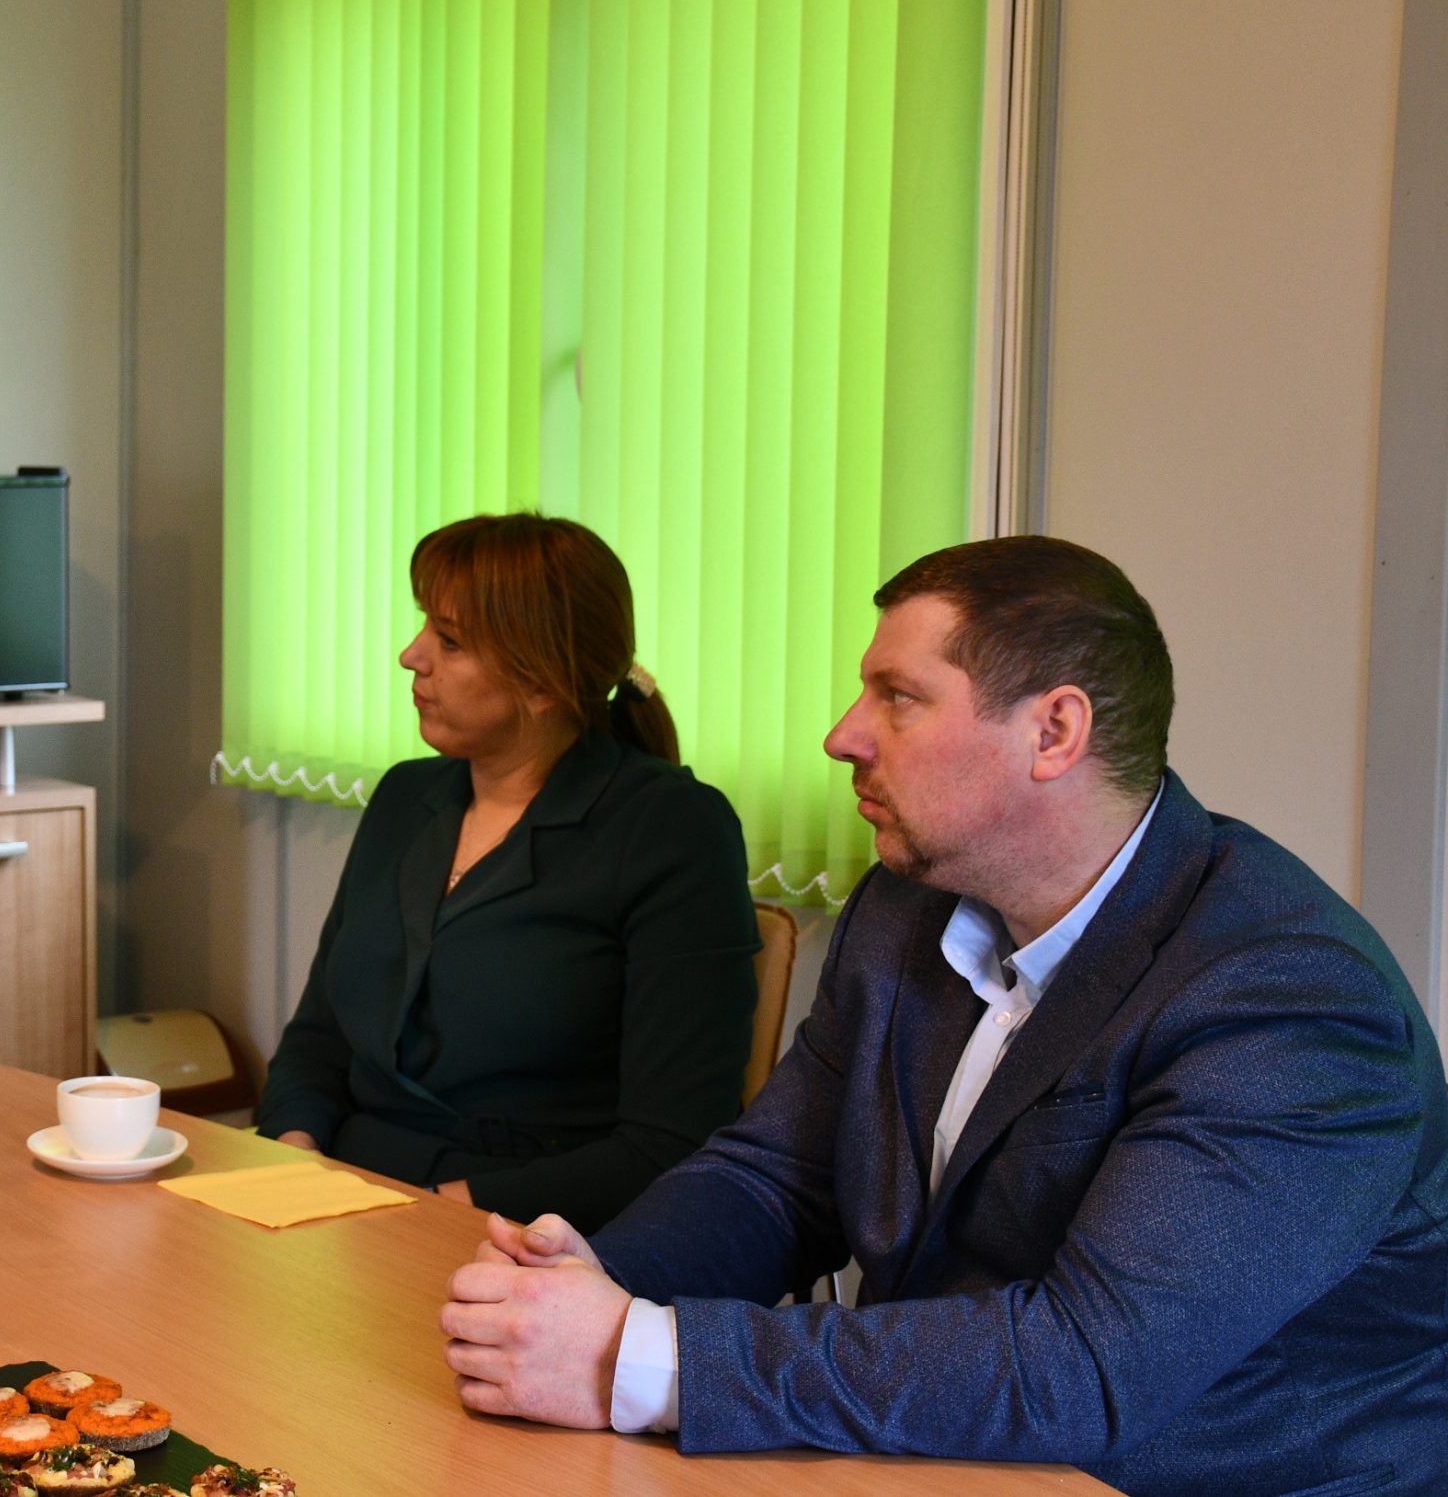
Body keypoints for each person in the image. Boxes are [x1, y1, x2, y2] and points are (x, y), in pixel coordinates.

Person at [439, 536, 1448, 1497]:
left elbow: (1083, 1367)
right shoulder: (908, 905)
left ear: (1053, 732)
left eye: (899, 698)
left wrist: (643, 1356)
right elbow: (776, 1178)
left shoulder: (1290, 1000)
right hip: (939, 1450)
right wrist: (599, 1279)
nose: (843, 735)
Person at [254, 513, 760, 1232]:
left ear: (542, 683)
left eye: (450, 640)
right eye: (424, 626)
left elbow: (669, 1141)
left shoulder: (671, 828)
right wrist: (295, 1155)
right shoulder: (405, 796)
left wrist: (432, 1214)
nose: (410, 655)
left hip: (530, 1227)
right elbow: (320, 1039)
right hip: (347, 1199)